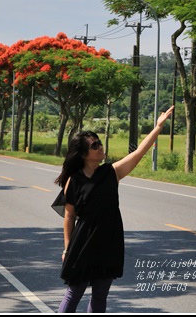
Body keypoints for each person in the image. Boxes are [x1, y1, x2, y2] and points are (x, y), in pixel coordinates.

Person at [54, 105, 174, 313]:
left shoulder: (112, 173)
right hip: (83, 240)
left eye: (100, 143)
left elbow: (139, 152)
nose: (100, 147)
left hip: (109, 239)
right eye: (95, 146)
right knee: (75, 292)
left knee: (101, 295)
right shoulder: (74, 180)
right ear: (83, 154)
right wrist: (67, 248)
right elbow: (69, 215)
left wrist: (158, 127)